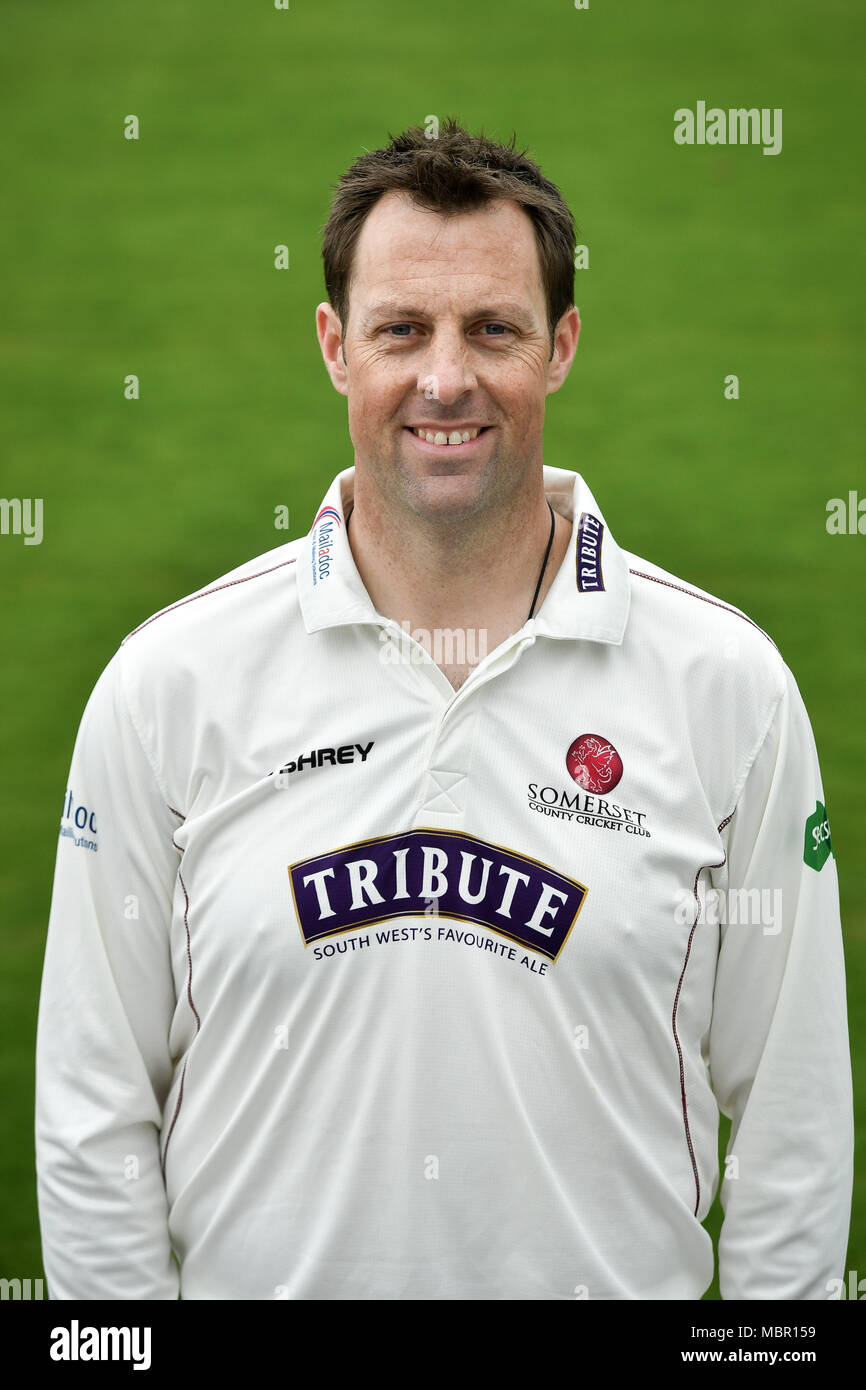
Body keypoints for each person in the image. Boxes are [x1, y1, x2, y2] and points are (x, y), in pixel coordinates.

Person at [36, 119, 853, 1300]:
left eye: (494, 329)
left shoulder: (726, 687)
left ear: (561, 345)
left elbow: (792, 1115)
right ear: (333, 346)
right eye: (401, 330)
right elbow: (90, 1104)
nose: (445, 378)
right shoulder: (170, 683)